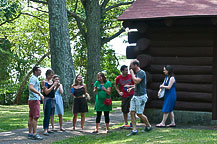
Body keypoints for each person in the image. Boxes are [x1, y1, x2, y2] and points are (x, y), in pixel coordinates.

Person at [127, 59, 152, 136]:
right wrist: (131, 88)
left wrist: (131, 73)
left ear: (135, 65)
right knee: (132, 112)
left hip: (141, 96)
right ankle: (134, 130)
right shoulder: (136, 73)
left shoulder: (141, 73)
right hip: (135, 96)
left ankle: (148, 126)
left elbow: (136, 81)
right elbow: (137, 84)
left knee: (139, 114)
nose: (130, 67)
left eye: (131, 65)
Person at [28, 66, 44, 140]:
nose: (40, 72)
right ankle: (34, 134)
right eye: (39, 70)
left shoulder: (34, 78)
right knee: (35, 117)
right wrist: (39, 94)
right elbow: (31, 87)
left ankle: (30, 133)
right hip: (34, 100)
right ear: (35, 71)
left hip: (32, 99)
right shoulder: (33, 78)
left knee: (31, 116)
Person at [42, 69, 59, 136]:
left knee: (51, 114)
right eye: (51, 75)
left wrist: (56, 86)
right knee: (47, 114)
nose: (52, 76)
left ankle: (48, 128)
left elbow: (53, 92)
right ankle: (45, 129)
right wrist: (53, 85)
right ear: (48, 75)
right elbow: (46, 92)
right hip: (47, 100)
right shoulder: (45, 82)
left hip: (52, 99)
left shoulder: (52, 82)